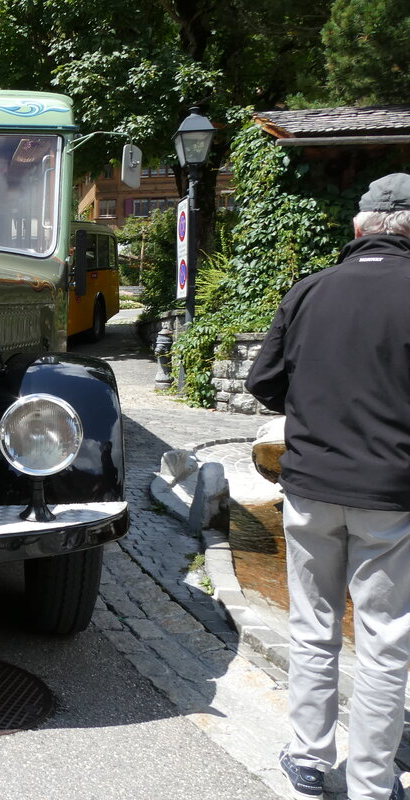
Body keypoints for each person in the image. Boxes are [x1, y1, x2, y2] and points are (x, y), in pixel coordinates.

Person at [246, 172, 410, 800]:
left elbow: (264, 383)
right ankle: (372, 782)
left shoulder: (311, 291)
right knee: (384, 640)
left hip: (311, 487)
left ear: (358, 225)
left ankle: (309, 761)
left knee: (312, 626)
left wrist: (314, 405)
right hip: (392, 496)